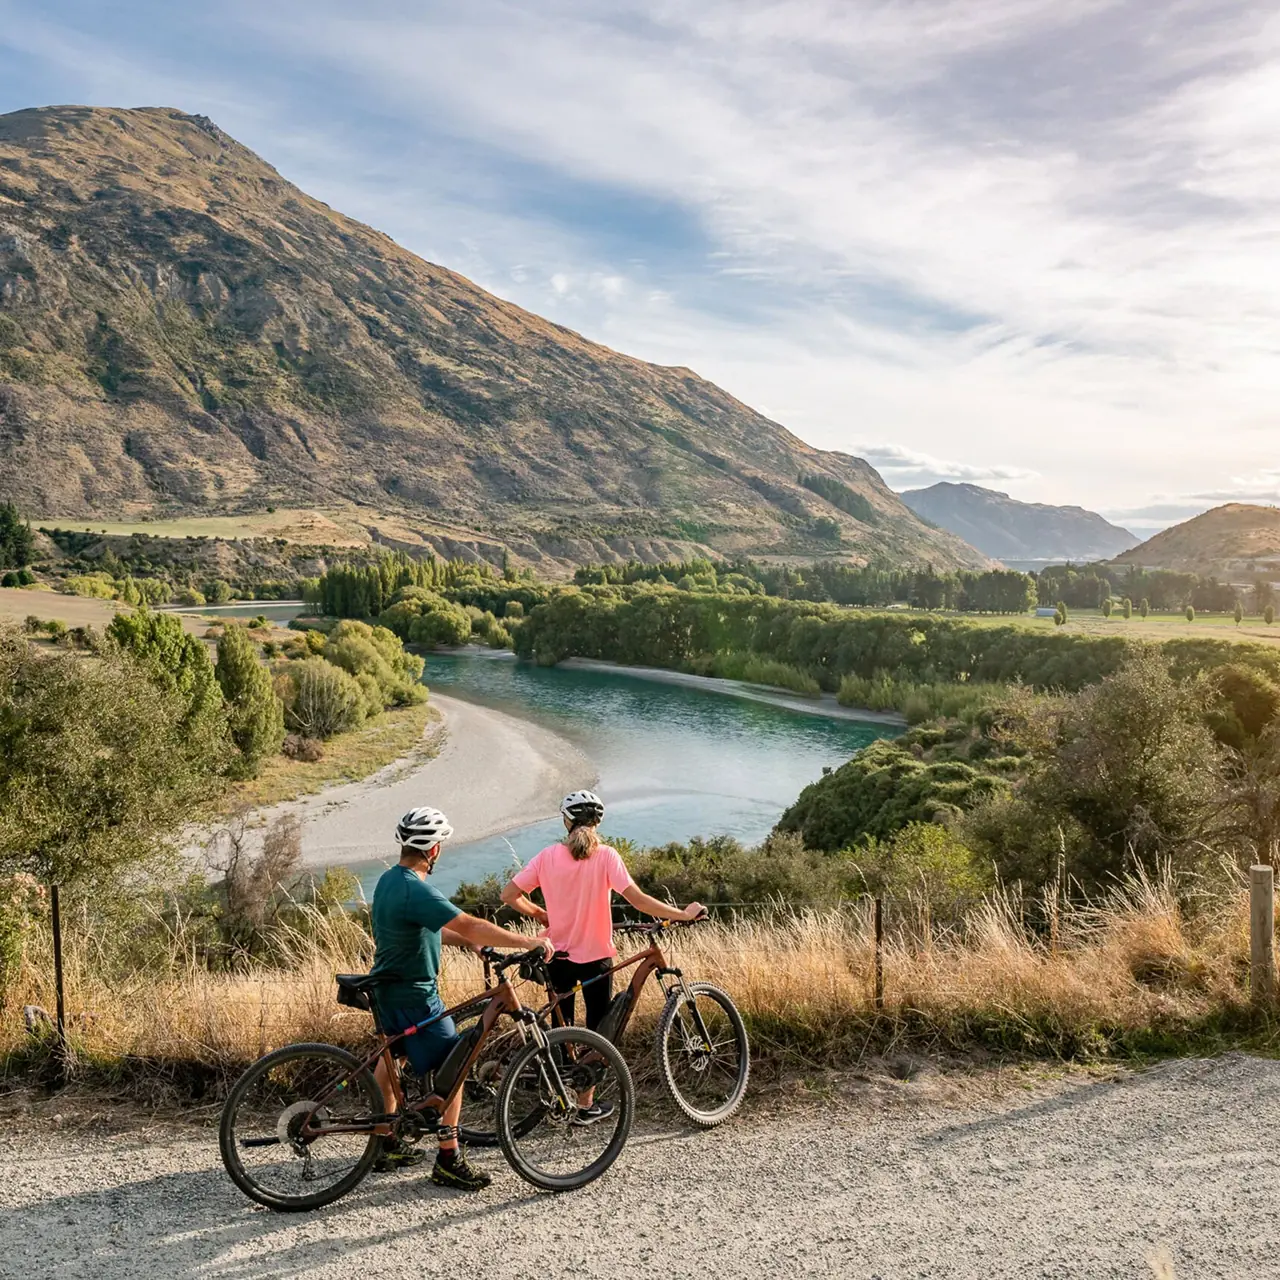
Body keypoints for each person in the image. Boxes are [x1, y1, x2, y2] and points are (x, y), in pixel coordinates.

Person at [369, 805, 554, 1191]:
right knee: (456, 1066)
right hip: (416, 995)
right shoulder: (415, 888)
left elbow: (428, 929)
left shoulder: (389, 880)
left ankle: (384, 1141)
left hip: (387, 989)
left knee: (393, 1055)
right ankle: (449, 1158)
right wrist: (528, 941)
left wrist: (472, 945)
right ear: (433, 849)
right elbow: (467, 922)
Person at [500, 789, 704, 1123]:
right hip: (596, 956)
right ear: (597, 822)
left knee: (559, 1029)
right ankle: (584, 1105)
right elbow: (638, 900)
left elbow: (509, 894)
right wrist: (681, 914)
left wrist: (541, 915)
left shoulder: (548, 856)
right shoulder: (607, 856)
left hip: (558, 957)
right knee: (596, 1031)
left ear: (566, 822)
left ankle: (559, 1100)